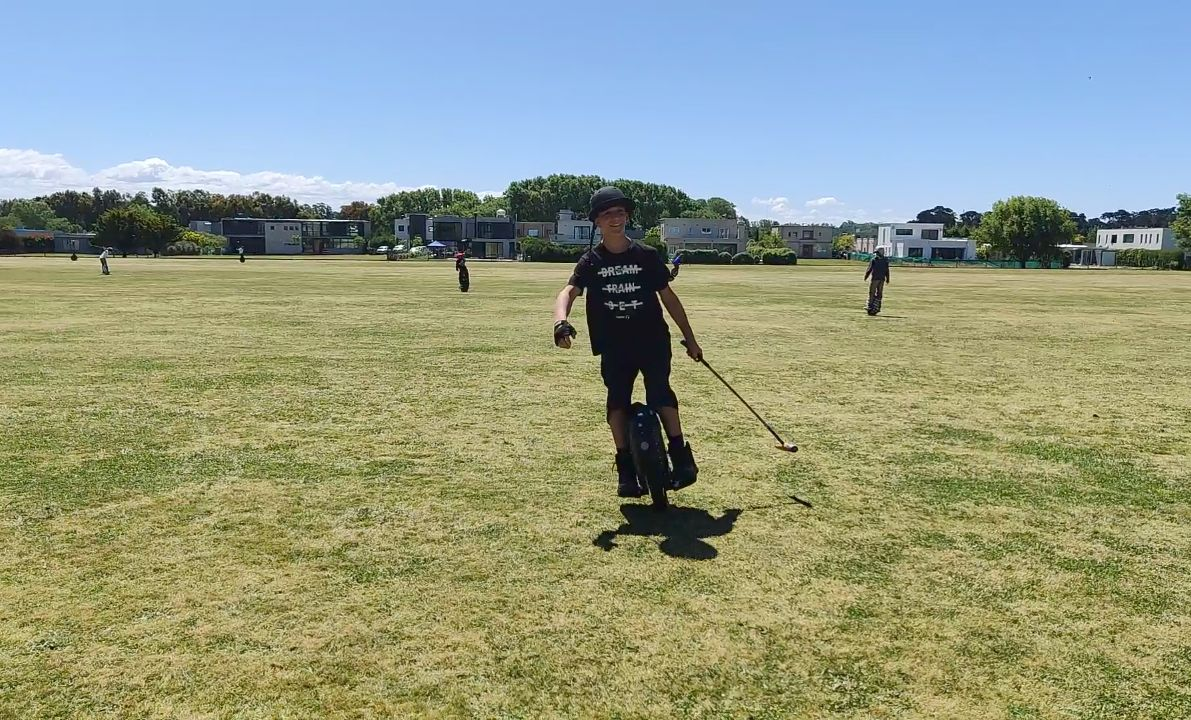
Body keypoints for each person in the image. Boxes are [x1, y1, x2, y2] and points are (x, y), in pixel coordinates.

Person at [553, 186, 702, 498]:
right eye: (607, 214)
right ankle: (625, 469)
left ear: (628, 216)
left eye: (620, 212)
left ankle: (681, 458)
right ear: (596, 221)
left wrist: (690, 339)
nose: (615, 218)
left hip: (652, 340)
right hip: (614, 344)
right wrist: (560, 321)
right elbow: (568, 292)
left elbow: (669, 299)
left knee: (660, 391)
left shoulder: (646, 256)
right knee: (617, 400)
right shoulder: (591, 261)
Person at [864, 247, 891, 315]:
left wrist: (866, 276)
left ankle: (871, 306)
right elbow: (887, 270)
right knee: (879, 293)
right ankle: (876, 306)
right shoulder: (885, 260)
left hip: (875, 279)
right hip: (881, 279)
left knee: (872, 293)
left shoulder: (874, 260)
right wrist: (887, 278)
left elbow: (869, 269)